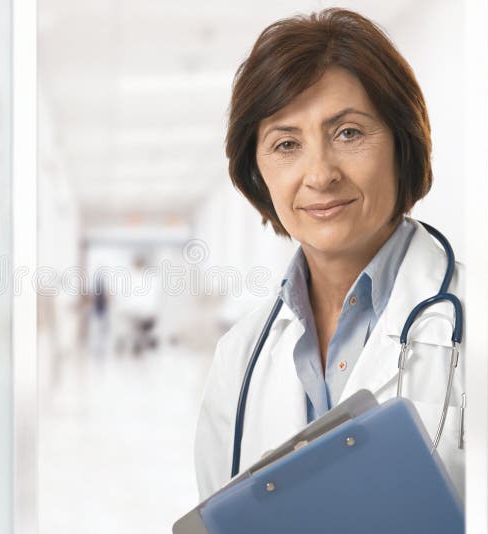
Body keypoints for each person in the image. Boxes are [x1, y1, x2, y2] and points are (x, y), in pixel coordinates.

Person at [194, 8, 466, 502]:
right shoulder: (240, 357)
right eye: (286, 143)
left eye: (349, 134)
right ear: (257, 171)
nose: (320, 174)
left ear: (402, 144)